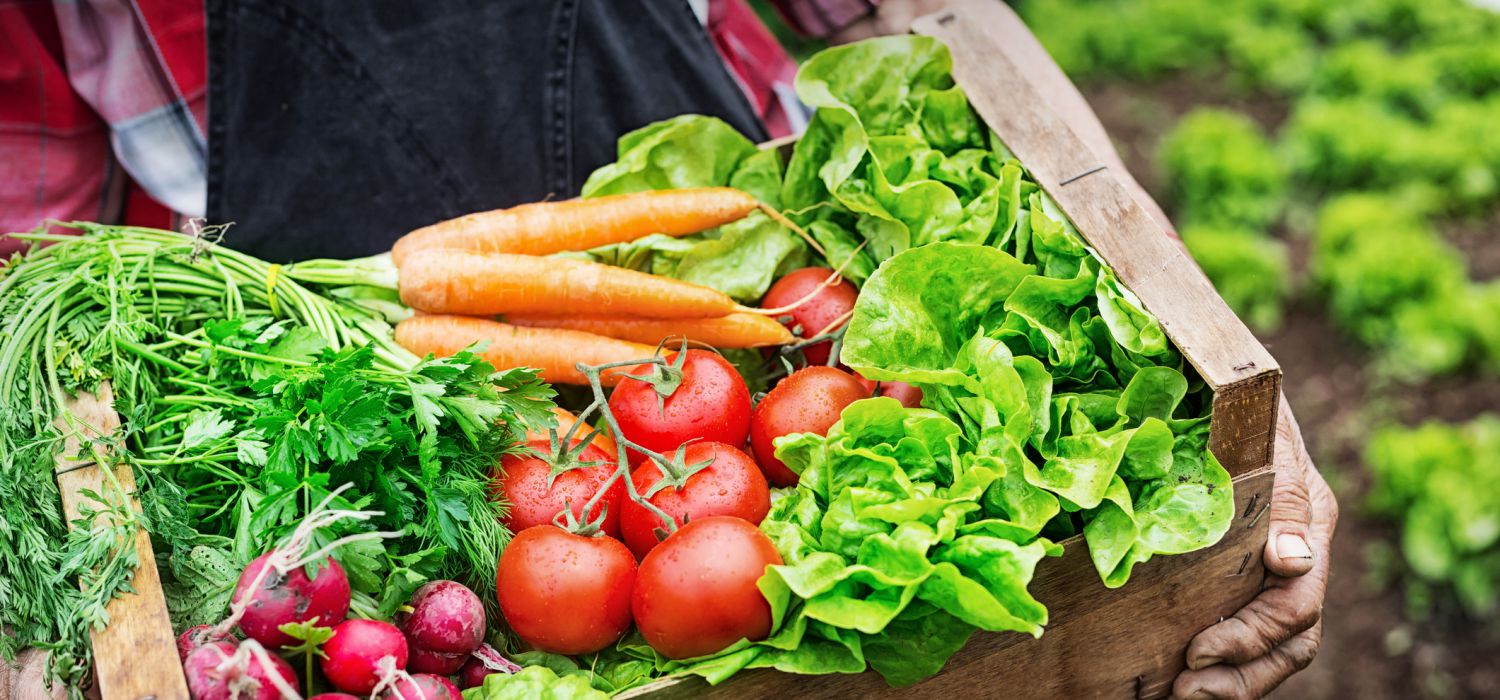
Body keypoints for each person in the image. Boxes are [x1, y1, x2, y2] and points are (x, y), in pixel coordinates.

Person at [0, 1, 1335, 698]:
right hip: (326, 453)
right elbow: (33, 274)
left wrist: (1199, 340)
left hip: (740, 281)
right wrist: (48, 620)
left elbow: (936, 28)